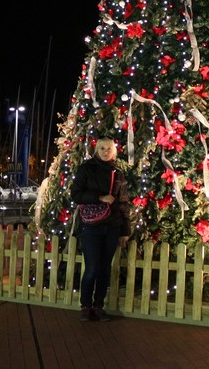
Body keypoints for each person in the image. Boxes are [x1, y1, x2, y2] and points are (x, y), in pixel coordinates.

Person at [71, 138, 131, 321]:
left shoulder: (117, 173)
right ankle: (86, 307)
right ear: (96, 150)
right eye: (102, 148)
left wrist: (125, 231)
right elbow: (76, 194)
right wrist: (99, 197)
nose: (106, 152)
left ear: (114, 151)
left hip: (112, 226)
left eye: (109, 149)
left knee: (105, 269)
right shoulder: (86, 168)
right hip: (92, 226)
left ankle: (98, 306)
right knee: (92, 268)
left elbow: (123, 202)